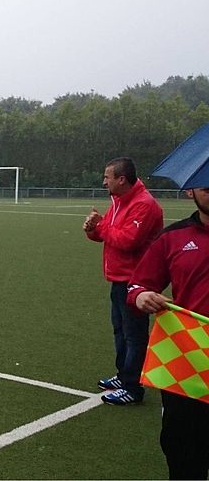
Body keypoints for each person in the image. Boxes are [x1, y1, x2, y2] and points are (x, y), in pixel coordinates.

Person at [128, 186, 209, 479]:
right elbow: (137, 285)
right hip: (187, 362)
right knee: (184, 452)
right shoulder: (172, 237)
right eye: (206, 187)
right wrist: (141, 296)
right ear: (191, 192)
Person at [83, 157, 164, 405]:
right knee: (121, 331)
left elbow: (128, 240)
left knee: (134, 335)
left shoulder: (144, 205)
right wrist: (92, 229)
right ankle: (124, 375)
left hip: (136, 282)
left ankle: (133, 387)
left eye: (107, 177)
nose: (104, 182)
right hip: (119, 279)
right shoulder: (118, 201)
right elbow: (107, 234)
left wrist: (101, 227)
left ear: (121, 179)